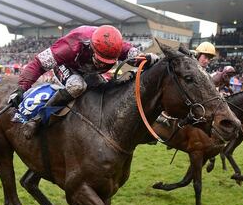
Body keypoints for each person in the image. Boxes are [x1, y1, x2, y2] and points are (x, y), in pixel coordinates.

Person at [8, 25, 155, 138]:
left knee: (104, 89)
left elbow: (138, 58)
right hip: (66, 66)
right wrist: (21, 88)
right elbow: (39, 63)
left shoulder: (116, 46)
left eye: (107, 61)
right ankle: (37, 119)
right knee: (77, 86)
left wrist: (149, 59)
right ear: (91, 47)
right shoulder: (71, 46)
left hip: (87, 70)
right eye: (100, 59)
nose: (103, 65)